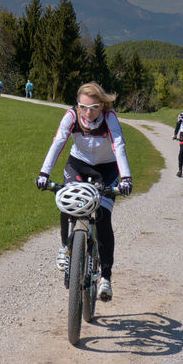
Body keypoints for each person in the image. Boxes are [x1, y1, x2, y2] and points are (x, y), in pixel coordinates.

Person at [35, 81, 133, 301]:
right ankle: (64, 248)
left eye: (94, 107)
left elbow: (119, 145)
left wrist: (125, 178)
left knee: (103, 218)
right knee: (67, 201)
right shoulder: (71, 116)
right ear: (77, 105)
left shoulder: (110, 119)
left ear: (102, 106)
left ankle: (106, 277)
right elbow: (58, 142)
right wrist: (44, 173)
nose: (88, 113)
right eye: (84, 107)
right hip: (77, 164)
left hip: (106, 170)